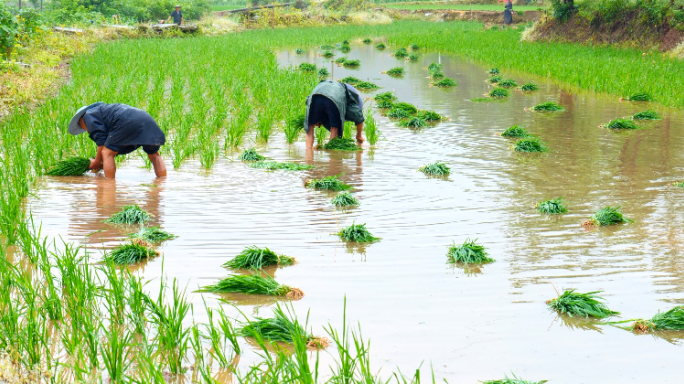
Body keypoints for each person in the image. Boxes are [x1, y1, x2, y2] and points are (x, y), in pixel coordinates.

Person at [67, 102, 167, 179]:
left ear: (81, 119)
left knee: (107, 153)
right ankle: (162, 184)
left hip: (127, 121)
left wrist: (97, 162)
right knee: (154, 155)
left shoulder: (88, 116)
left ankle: (109, 186)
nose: (86, 129)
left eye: (82, 127)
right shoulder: (102, 112)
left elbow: (102, 144)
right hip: (146, 119)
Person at [304, 80, 365, 150]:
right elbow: (359, 116)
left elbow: (309, 101)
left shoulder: (332, 86)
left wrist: (316, 117)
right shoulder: (350, 99)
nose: (318, 126)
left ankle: (308, 154)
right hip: (333, 99)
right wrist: (359, 136)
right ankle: (332, 157)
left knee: (309, 127)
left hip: (315, 96)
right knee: (335, 128)